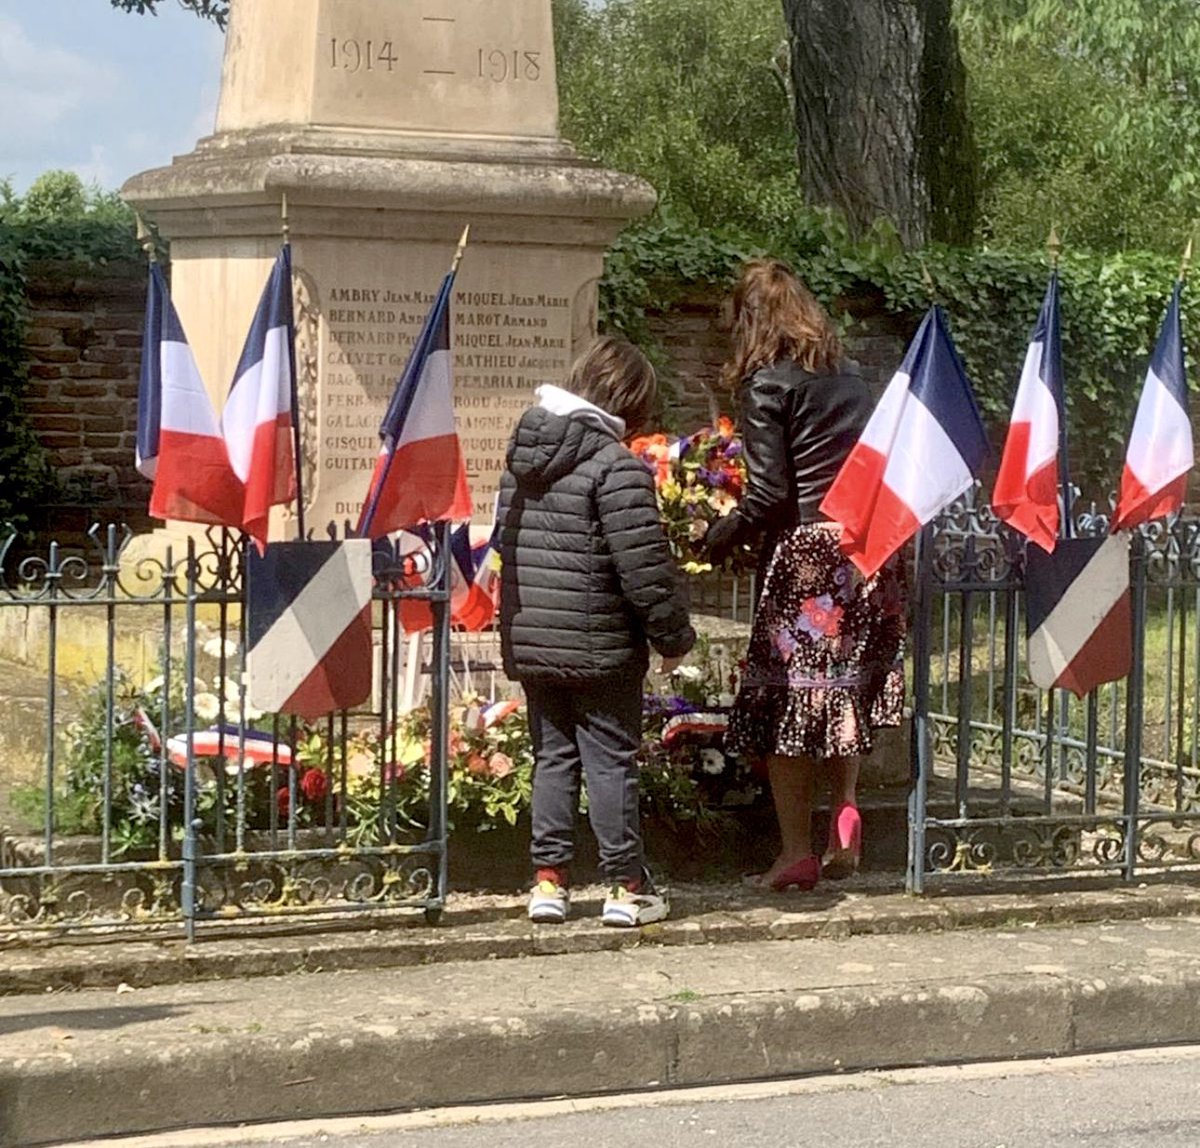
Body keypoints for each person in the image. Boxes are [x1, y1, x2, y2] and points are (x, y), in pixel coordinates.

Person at [702, 258, 906, 892]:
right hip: (865, 550)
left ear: (749, 321)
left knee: (787, 700)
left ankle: (795, 850)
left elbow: (768, 495)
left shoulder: (768, 383)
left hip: (809, 559)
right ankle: (844, 819)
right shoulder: (853, 377)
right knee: (840, 692)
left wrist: (715, 537)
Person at [496, 335, 696, 926]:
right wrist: (672, 637)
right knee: (610, 763)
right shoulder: (616, 466)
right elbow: (644, 569)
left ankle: (548, 884)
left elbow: (508, 548)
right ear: (629, 401)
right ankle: (625, 888)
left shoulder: (521, 459)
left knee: (552, 758)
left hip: (534, 638)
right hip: (602, 644)